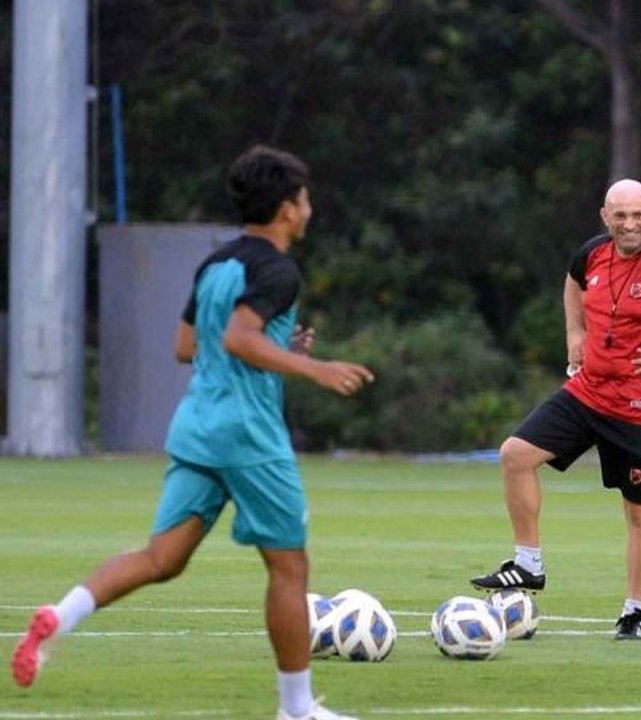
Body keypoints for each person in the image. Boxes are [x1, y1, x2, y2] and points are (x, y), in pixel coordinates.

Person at [10, 146, 374, 720]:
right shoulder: (278, 268)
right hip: (248, 435)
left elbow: (188, 346)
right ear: (285, 209)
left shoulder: (218, 264)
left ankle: (61, 615)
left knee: (162, 558)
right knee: (289, 567)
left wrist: (275, 349)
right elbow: (238, 338)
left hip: (198, 426)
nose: (309, 210)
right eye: (304, 200)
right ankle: (297, 710)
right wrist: (315, 368)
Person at [470, 178, 641, 640]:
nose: (629, 224)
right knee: (515, 454)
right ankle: (528, 565)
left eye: (638, 215)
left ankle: (633, 611)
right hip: (587, 392)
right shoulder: (592, 253)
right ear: (605, 217)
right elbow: (573, 282)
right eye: (620, 215)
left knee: (639, 512)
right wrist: (574, 333)